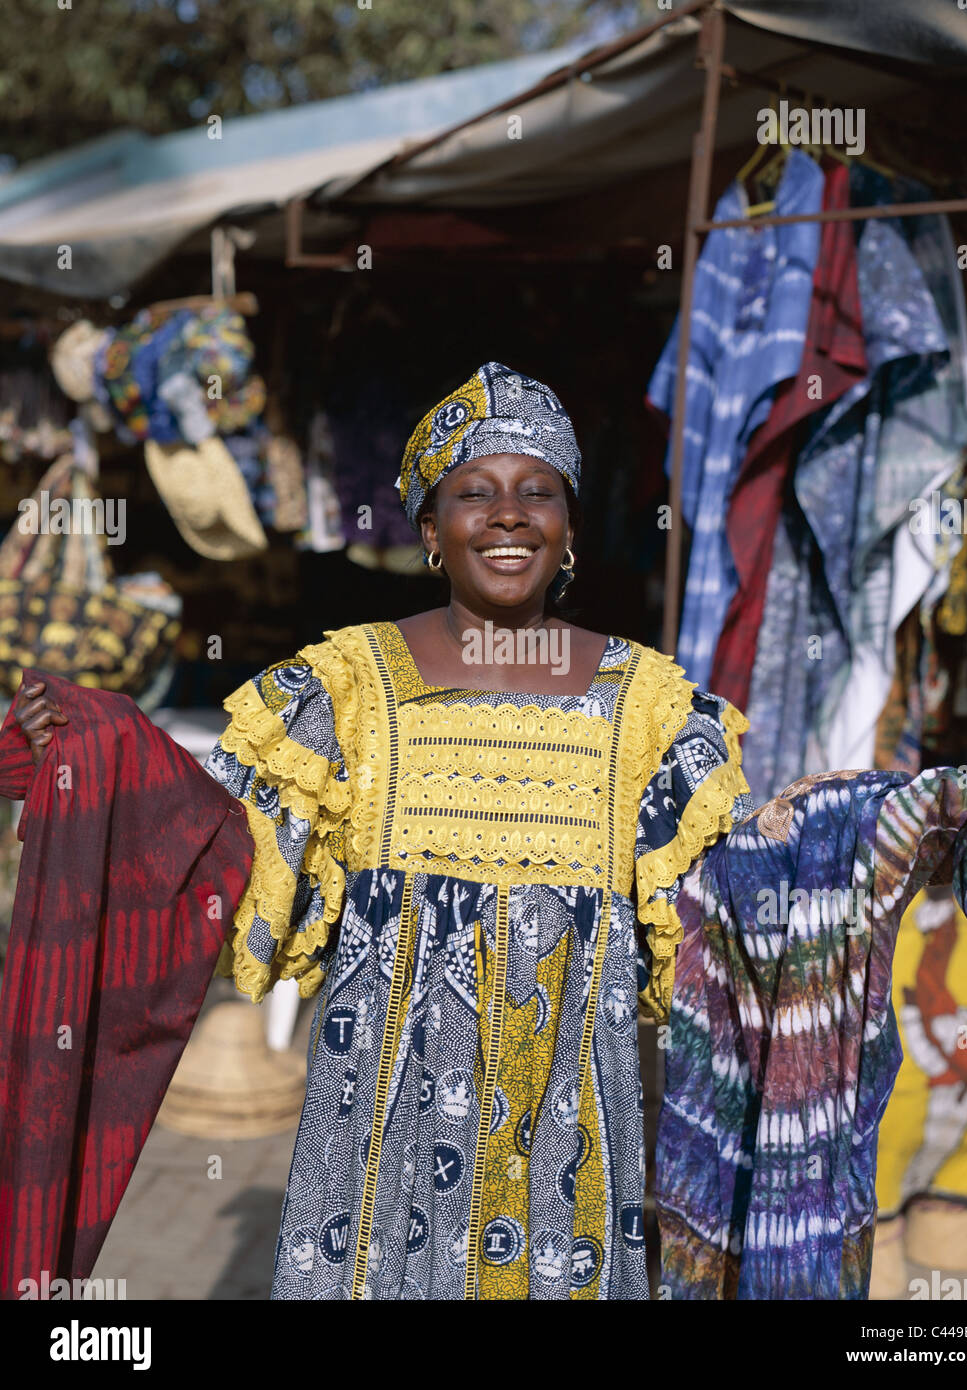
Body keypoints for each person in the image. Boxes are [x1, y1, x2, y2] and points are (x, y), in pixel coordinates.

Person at [13, 361, 754, 1300]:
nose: (509, 514)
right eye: (472, 492)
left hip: (565, 1149)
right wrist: (86, 745)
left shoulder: (650, 708)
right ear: (431, 531)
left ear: (569, 528)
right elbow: (206, 832)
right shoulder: (348, 690)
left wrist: (874, 829)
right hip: (375, 1150)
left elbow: (732, 887)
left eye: (539, 491)